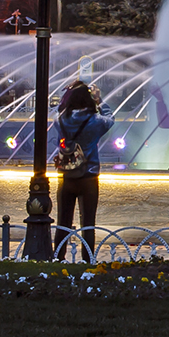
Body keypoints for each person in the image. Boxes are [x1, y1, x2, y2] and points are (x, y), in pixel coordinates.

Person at [55, 81, 113, 261]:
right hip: (89, 177)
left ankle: (58, 257)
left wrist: (68, 93)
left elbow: (58, 110)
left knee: (63, 223)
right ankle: (87, 259)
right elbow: (110, 118)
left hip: (67, 176)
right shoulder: (96, 122)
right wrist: (99, 99)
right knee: (88, 223)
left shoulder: (61, 121)